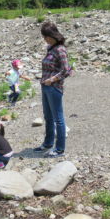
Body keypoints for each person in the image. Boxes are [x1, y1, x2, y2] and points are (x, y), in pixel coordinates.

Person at [34, 22, 72, 157]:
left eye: (46, 36)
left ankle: (60, 148)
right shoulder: (50, 48)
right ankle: (48, 143)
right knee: (48, 117)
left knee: (58, 119)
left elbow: (66, 70)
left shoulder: (60, 49)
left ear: (53, 35)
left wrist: (52, 79)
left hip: (54, 88)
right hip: (45, 86)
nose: (45, 39)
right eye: (44, 37)